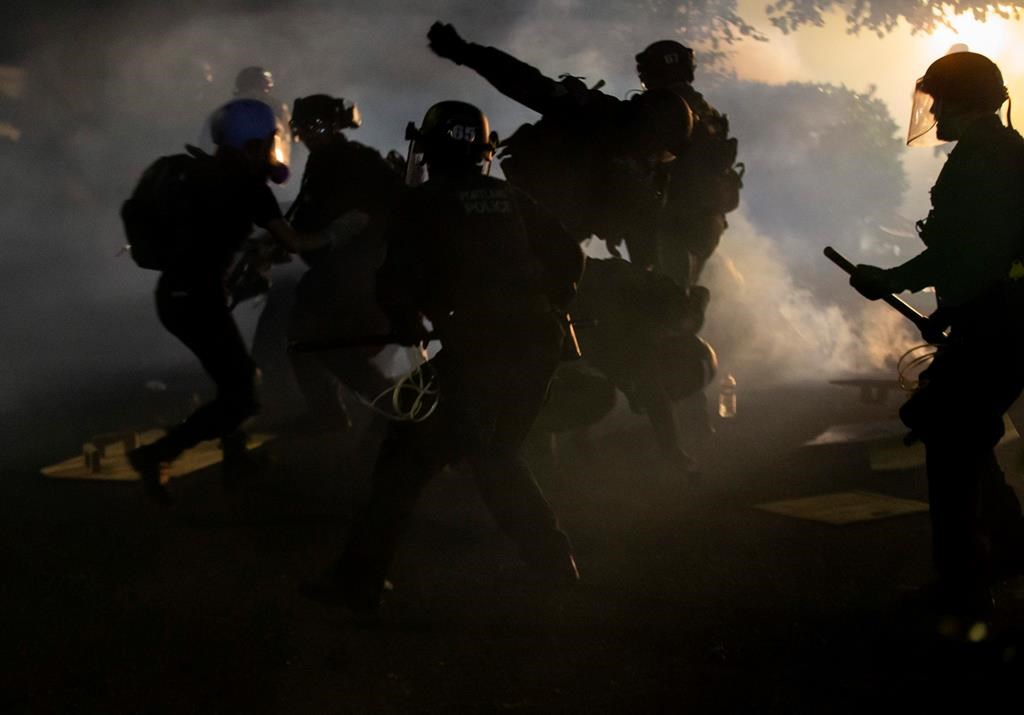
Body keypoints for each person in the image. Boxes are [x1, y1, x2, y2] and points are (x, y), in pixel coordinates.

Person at [305, 100, 585, 611]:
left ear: (429, 151)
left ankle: (359, 580)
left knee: (410, 459)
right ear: (483, 152)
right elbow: (570, 256)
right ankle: (556, 568)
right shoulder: (509, 197)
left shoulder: (424, 204)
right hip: (537, 345)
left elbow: (396, 284)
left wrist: (408, 323)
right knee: (493, 454)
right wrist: (541, 303)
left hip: (477, 353)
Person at [849, 51, 1024, 630]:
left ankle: (963, 589)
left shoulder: (982, 161)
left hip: (1001, 323)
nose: (932, 111)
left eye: (938, 98)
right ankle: (1007, 546)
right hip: (997, 317)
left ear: (960, 100)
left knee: (951, 437)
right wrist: (949, 310)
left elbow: (970, 252)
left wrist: (890, 279)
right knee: (963, 430)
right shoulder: (1000, 152)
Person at [127, 99, 331, 504]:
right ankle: (156, 455)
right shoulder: (251, 189)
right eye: (270, 140)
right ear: (254, 143)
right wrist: (338, 233)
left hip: (174, 296)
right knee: (241, 393)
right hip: (197, 301)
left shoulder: (191, 171)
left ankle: (234, 464)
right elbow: (293, 242)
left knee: (235, 378)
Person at [426, 21, 692, 267]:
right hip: (523, 211)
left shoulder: (644, 183)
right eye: (657, 150)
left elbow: (646, 253)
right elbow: (526, 82)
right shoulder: (595, 115)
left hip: (548, 234)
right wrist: (464, 52)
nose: (654, 159)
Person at [249, 93, 405, 430]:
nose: (308, 135)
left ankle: (388, 409)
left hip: (357, 272)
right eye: (303, 128)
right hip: (340, 271)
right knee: (309, 342)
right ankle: (341, 412)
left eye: (316, 126)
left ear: (334, 125)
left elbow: (372, 213)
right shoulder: (327, 161)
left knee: (325, 346)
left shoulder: (351, 161)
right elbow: (309, 216)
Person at [634, 41, 741, 291]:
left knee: (664, 296)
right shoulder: (706, 110)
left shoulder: (668, 107)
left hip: (674, 219)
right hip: (707, 220)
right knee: (676, 291)